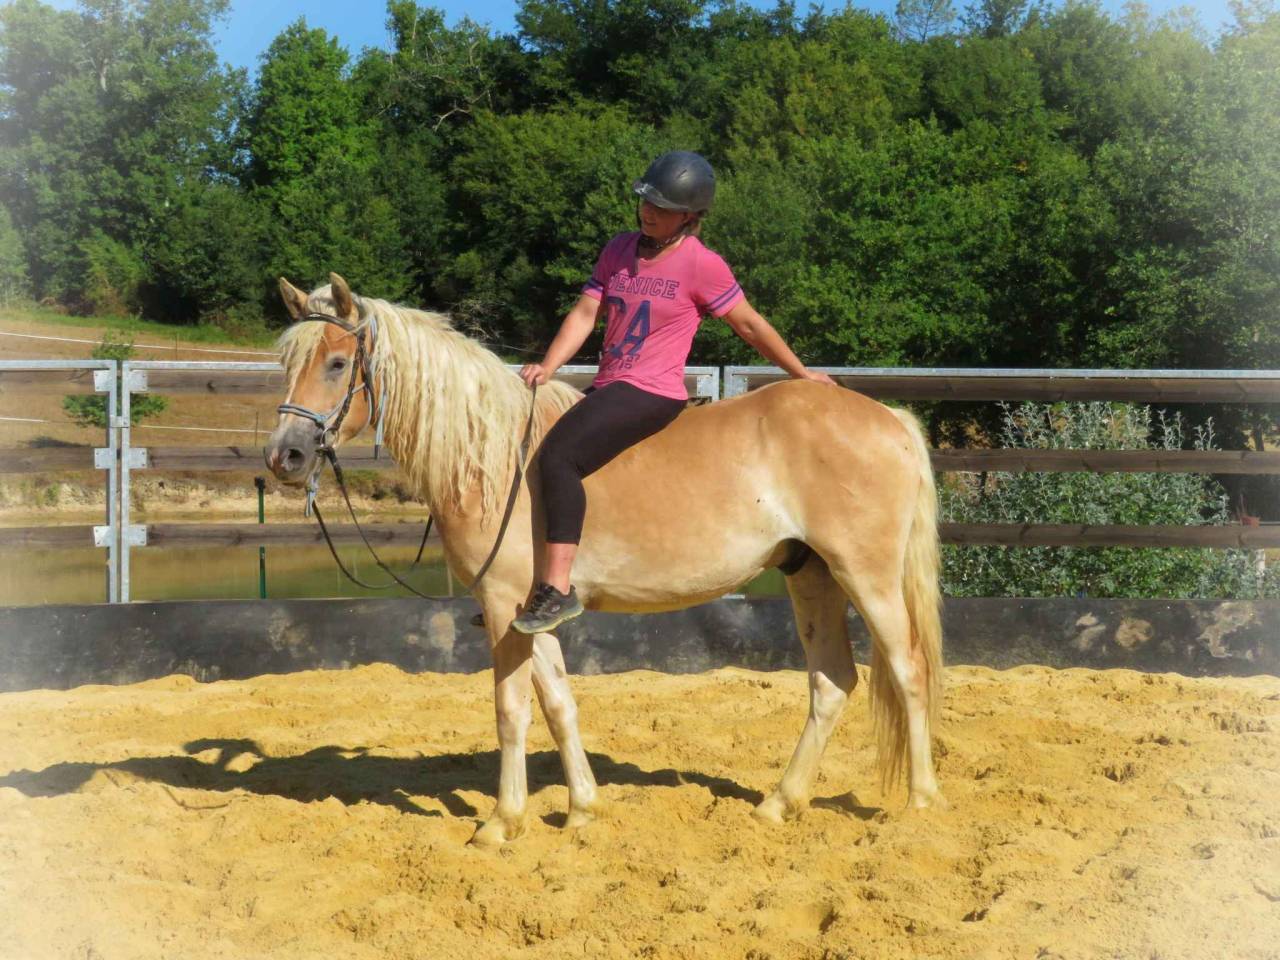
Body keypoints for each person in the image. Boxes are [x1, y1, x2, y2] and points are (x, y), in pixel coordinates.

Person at [511, 150, 835, 634]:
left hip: (651, 391)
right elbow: (584, 315)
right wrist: (549, 366)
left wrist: (800, 373)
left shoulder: (701, 265)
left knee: (559, 457)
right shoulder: (617, 250)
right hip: (609, 385)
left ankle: (557, 589)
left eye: (661, 207)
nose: (649, 212)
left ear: (690, 216)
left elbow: (747, 323)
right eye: (646, 202)